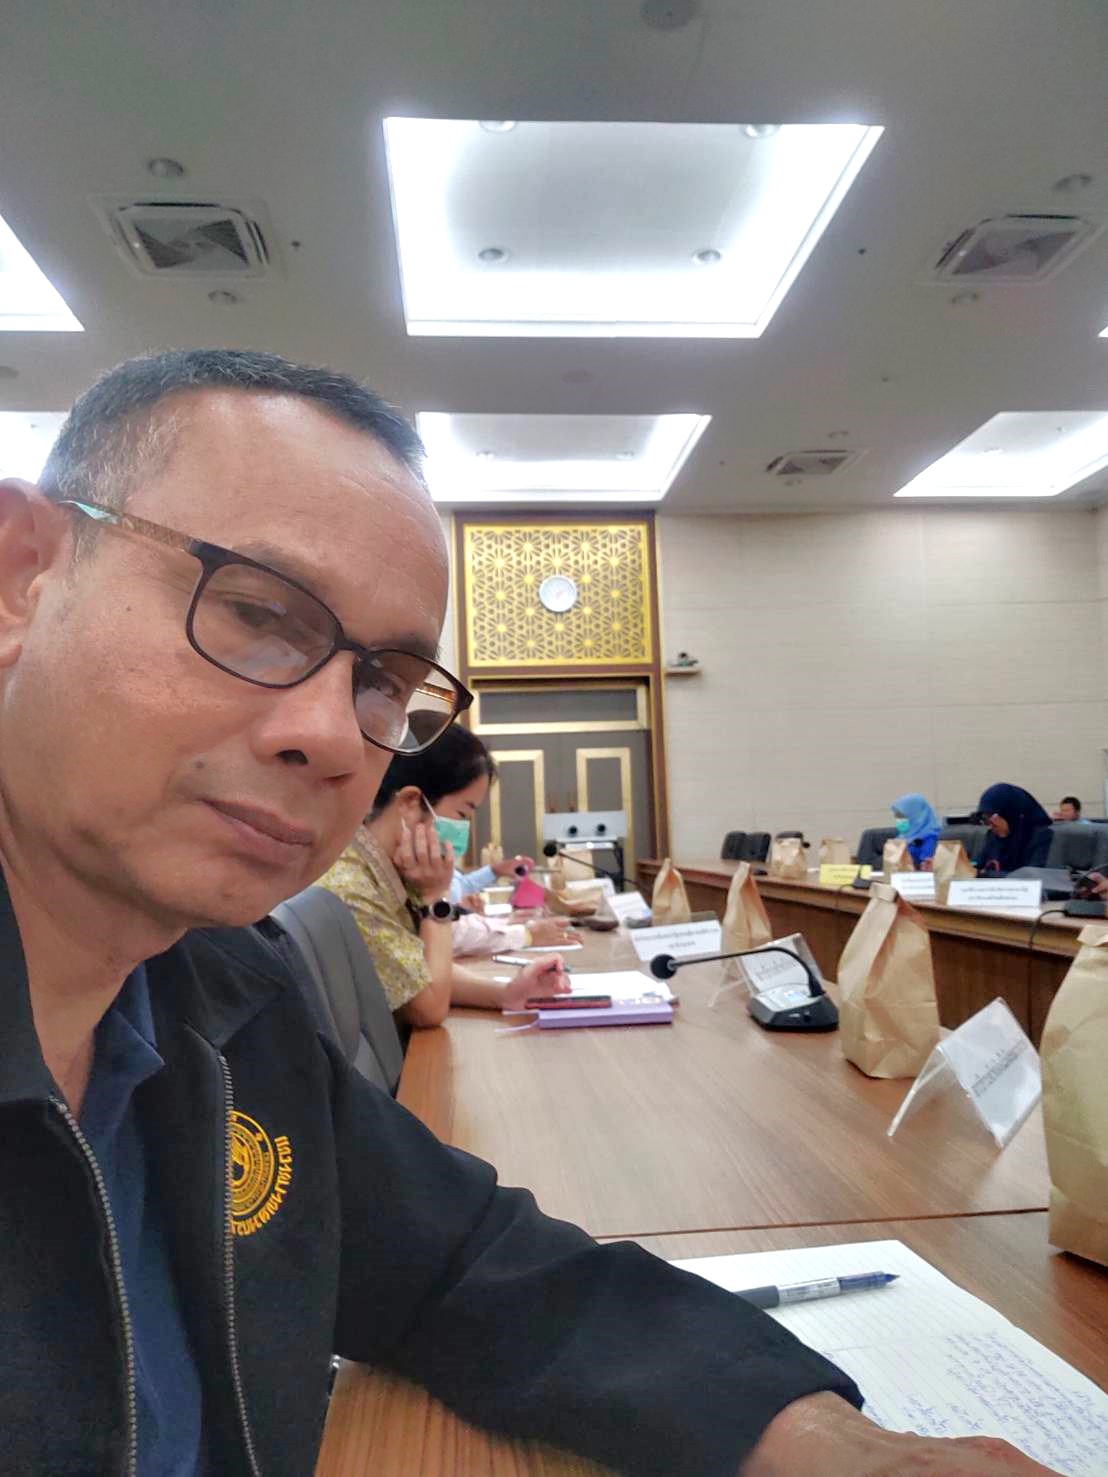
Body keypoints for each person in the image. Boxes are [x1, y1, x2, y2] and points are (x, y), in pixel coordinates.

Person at [0, 349, 1060, 1477]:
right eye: (258, 613)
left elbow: (466, 1263)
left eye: (382, 684)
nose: (328, 734)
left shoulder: (222, 990)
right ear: (22, 575)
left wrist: (822, 1440)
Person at [318, 726, 574, 1024]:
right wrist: (436, 899)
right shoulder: (352, 887)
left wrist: (507, 994)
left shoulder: (387, 870)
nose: (463, 830)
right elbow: (428, 1007)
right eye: (462, 814)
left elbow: (417, 971)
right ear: (411, 803)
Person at [975, 783, 1053, 874]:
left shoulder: (1040, 836)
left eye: (992, 815)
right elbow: (977, 864)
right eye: (985, 818)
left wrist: (987, 874)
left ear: (1009, 812)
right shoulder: (993, 836)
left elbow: (1032, 875)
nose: (990, 823)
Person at [890, 792, 942, 869]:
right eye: (897, 817)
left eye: (901, 817)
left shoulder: (930, 838)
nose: (899, 821)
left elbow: (924, 867)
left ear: (916, 816)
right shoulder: (902, 837)